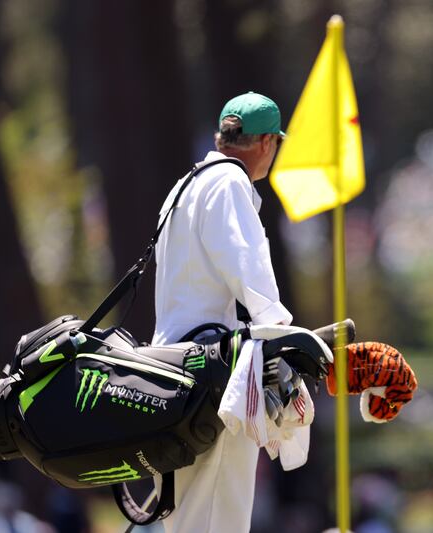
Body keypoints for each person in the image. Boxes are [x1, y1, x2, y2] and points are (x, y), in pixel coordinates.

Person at [152, 91, 292, 533]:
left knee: (184, 520)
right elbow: (251, 276)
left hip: (164, 375)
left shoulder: (186, 183)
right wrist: (291, 345)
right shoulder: (230, 181)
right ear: (267, 142)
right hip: (211, 376)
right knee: (221, 519)